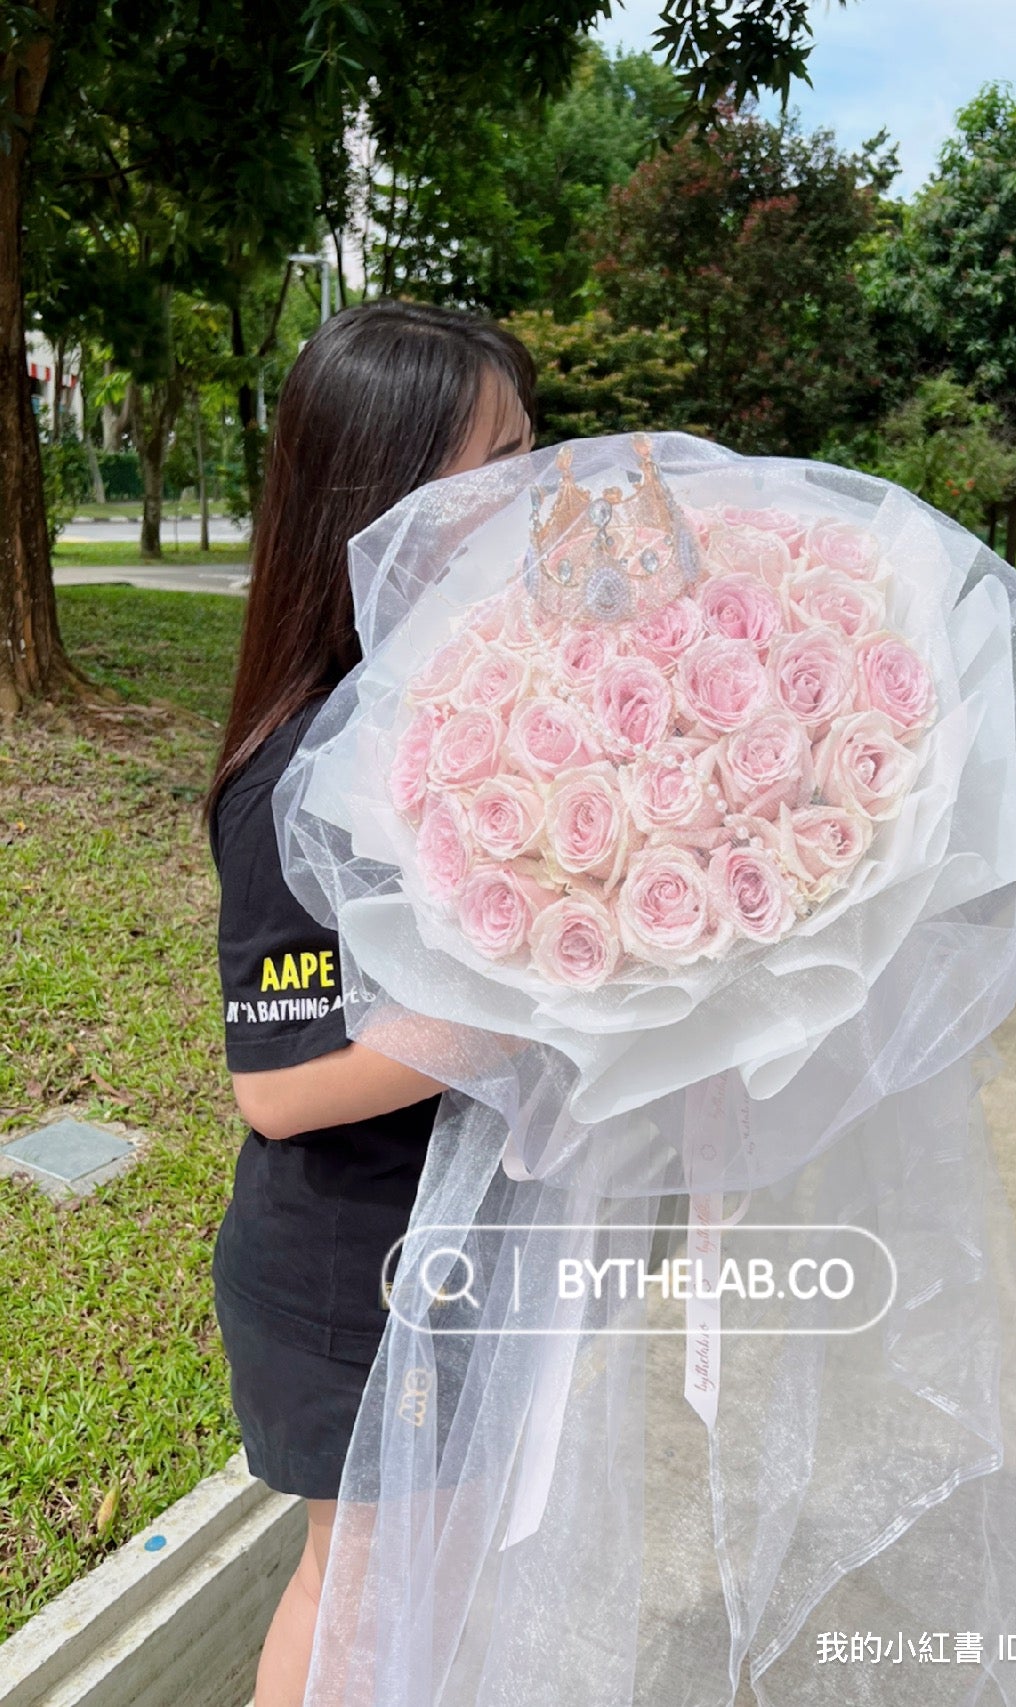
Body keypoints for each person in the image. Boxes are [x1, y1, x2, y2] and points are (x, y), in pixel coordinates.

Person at [202, 300, 536, 1707]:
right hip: (355, 1277)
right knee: (362, 1592)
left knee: (430, 1582)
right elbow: (277, 1087)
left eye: (532, 448)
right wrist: (544, 1011)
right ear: (384, 492)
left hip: (463, 1249)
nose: (535, 491)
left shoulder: (479, 710)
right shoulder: (302, 771)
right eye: (497, 463)